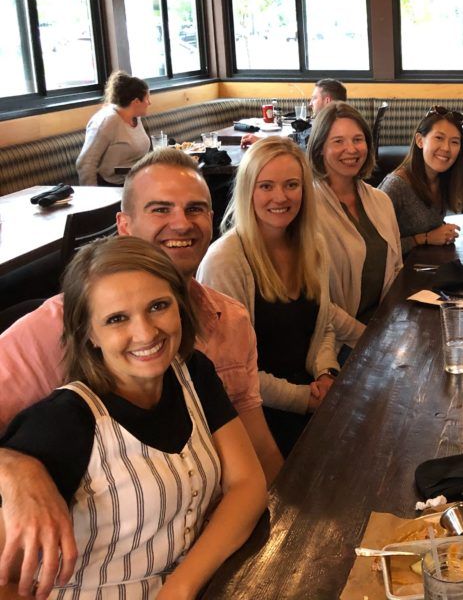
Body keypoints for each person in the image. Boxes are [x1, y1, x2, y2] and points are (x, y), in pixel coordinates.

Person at [0, 149, 284, 597]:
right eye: (160, 209)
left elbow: (251, 469)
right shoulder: (59, 407)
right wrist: (13, 468)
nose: (144, 331)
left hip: (204, 570)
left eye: (195, 208)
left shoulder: (200, 355)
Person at [198, 136, 352, 456]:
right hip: (255, 414)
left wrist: (326, 372)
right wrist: (303, 399)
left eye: (291, 185)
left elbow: (322, 325)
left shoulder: (313, 246)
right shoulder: (225, 260)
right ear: (247, 191)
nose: (280, 197)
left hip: (311, 391)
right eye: (266, 186)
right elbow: (231, 374)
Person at [308, 101, 403, 323]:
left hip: (383, 323)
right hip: (336, 339)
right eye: (338, 141)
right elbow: (317, 302)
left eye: (358, 140)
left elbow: (397, 267)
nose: (351, 149)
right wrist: (364, 337)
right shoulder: (308, 209)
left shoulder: (381, 201)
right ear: (320, 148)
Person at [379, 106, 463, 254]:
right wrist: (424, 238)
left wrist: (443, 232)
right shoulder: (396, 186)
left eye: (454, 142)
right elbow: (376, 249)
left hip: (428, 266)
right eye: (439, 138)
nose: (446, 148)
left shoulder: (443, 178)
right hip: (400, 274)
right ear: (420, 141)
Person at [76, 71, 152, 186]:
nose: (149, 103)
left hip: (137, 180)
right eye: (147, 98)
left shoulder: (135, 116)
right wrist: (95, 199)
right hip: (113, 186)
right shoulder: (107, 122)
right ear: (136, 102)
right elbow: (85, 164)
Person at [241, 79, 347, 150]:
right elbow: (296, 139)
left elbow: (292, 146)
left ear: (327, 100)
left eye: (314, 98)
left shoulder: (328, 125)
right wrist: (262, 140)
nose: (310, 104)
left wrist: (262, 143)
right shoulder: (343, 120)